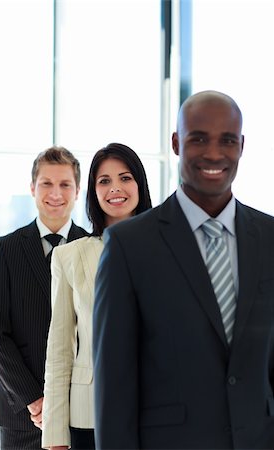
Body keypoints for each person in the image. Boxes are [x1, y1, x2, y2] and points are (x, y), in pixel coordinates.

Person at [93, 90, 274, 449]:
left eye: (227, 140)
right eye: (199, 139)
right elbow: (114, 390)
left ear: (242, 145)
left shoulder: (270, 238)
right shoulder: (130, 246)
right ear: (176, 143)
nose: (213, 153)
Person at [38, 143, 152, 450]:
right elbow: (59, 350)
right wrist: (55, 434)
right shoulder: (69, 257)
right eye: (104, 181)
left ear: (140, 184)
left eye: (125, 178)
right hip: (89, 414)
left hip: (158, 410)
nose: (115, 188)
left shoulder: (167, 252)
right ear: (92, 191)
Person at [0, 146, 89, 450]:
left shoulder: (94, 247)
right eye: (47, 183)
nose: (56, 193)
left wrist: (65, 401)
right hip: (22, 413)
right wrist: (34, 399)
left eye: (65, 184)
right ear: (32, 188)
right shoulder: (6, 249)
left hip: (79, 408)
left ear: (78, 190)